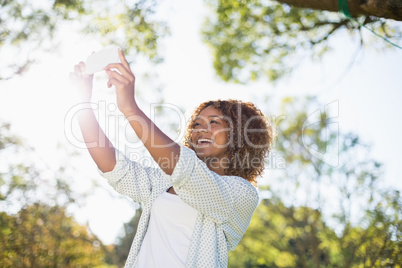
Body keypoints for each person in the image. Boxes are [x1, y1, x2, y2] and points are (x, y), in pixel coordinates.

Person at [70, 48, 274, 268]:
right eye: (196, 124)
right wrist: (83, 103)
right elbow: (112, 166)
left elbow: (187, 171)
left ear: (240, 136)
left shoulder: (241, 194)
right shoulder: (163, 183)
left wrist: (129, 107)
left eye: (214, 122)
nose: (200, 130)